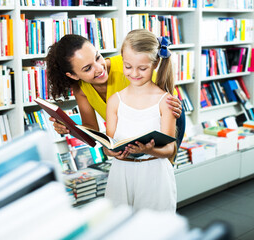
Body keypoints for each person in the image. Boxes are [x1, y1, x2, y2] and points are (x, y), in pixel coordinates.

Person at [45, 34, 185, 158]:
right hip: (132, 134)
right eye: (88, 68)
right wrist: (70, 128)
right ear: (73, 75)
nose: (99, 68)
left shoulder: (129, 68)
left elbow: (162, 98)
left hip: (163, 120)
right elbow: (92, 128)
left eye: (98, 57)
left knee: (160, 163)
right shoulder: (80, 88)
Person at [104, 29, 177, 212]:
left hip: (153, 175)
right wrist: (110, 152)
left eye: (142, 68)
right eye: (128, 66)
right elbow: (108, 143)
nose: (134, 73)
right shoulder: (114, 100)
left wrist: (150, 149)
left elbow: (170, 149)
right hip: (121, 174)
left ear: (155, 64)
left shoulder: (166, 101)